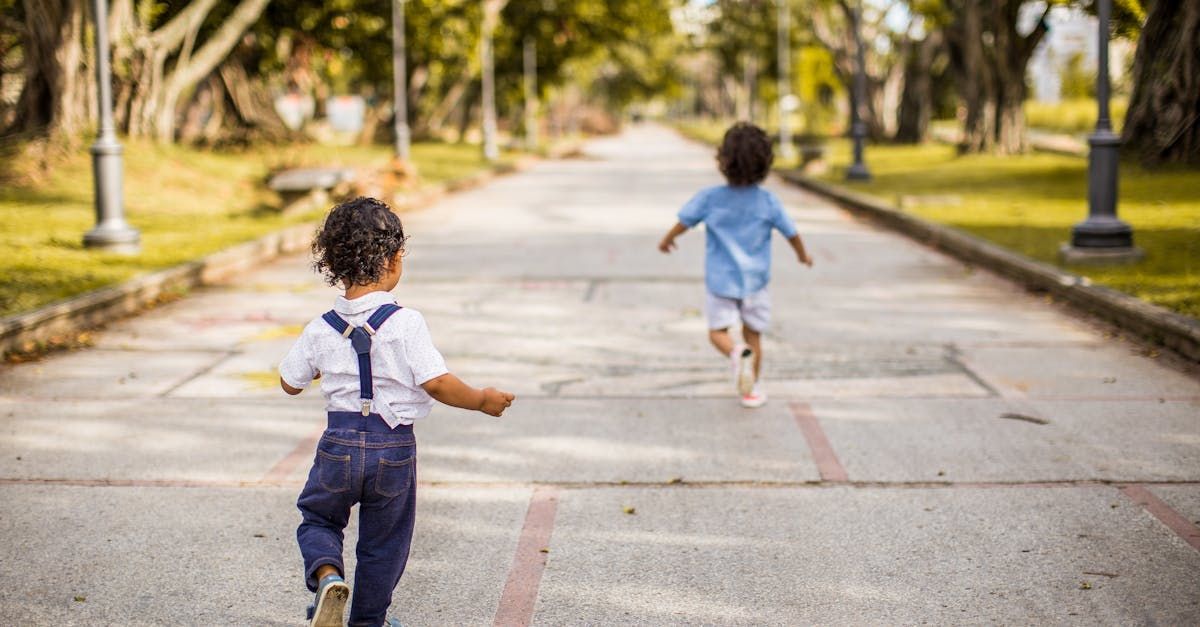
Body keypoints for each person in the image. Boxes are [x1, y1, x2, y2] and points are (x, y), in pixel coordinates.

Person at [278, 197, 514, 627]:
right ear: (391, 260)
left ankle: (328, 576)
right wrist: (481, 399)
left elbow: (289, 382)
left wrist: (322, 368)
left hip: (338, 445)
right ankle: (369, 622)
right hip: (393, 449)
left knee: (318, 517)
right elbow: (437, 382)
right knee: (384, 543)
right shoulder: (406, 323)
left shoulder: (320, 328)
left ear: (333, 262)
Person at [658, 122, 813, 408]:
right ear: (766, 163)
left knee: (717, 332)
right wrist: (803, 256)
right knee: (753, 335)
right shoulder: (768, 201)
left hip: (721, 283)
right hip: (756, 282)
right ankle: (751, 391)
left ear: (723, 160)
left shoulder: (710, 198)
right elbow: (792, 233)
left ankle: (734, 351)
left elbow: (684, 222)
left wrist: (667, 240)